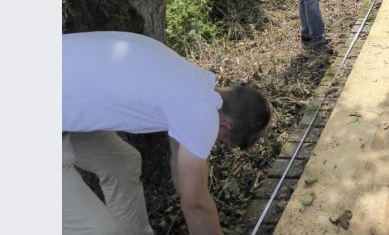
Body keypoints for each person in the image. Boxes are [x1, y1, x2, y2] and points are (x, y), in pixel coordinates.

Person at [62, 31, 271, 235]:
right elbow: (196, 205)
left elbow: (182, 177)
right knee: (97, 229)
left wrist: (194, 201)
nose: (212, 142)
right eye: (221, 141)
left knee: (121, 163)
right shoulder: (201, 113)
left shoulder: (191, 82)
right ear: (226, 127)